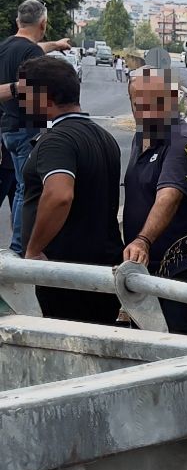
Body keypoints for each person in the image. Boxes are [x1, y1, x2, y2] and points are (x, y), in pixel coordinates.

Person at [19, 55, 123, 323]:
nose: (23, 102)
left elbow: (60, 195)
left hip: (64, 274)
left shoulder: (57, 141)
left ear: (45, 97)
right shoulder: (104, 137)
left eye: (26, 94)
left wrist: (33, 250)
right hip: (102, 270)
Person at [122, 66, 187, 332]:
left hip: (177, 269)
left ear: (173, 99)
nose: (145, 109)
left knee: (170, 346)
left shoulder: (181, 140)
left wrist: (142, 240)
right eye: (138, 102)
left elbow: (168, 196)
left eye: (155, 101)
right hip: (146, 269)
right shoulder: (142, 138)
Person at [0, 0, 74, 250]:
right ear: (43, 24)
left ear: (18, 21)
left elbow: (33, 48)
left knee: (18, 187)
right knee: (27, 189)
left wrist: (55, 45)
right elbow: (33, 53)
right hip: (27, 129)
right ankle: (19, 248)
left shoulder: (6, 47)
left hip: (8, 128)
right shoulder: (30, 53)